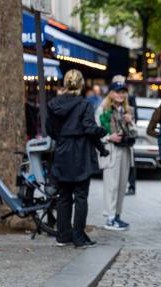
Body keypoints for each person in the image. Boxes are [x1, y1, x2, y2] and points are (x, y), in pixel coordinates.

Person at [46, 69, 107, 247]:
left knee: (64, 195)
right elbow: (89, 128)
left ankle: (63, 236)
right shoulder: (84, 104)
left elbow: (49, 128)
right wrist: (103, 131)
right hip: (80, 153)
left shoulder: (54, 104)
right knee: (80, 196)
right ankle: (79, 236)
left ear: (65, 84)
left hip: (63, 151)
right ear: (80, 84)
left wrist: (62, 138)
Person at [97, 81, 136, 231]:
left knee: (121, 185)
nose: (120, 94)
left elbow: (135, 133)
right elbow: (96, 131)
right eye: (117, 91)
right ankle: (110, 218)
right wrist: (108, 137)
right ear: (111, 93)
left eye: (123, 92)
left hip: (125, 150)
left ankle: (117, 215)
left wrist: (130, 121)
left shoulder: (128, 110)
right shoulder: (103, 110)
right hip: (111, 150)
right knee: (111, 186)